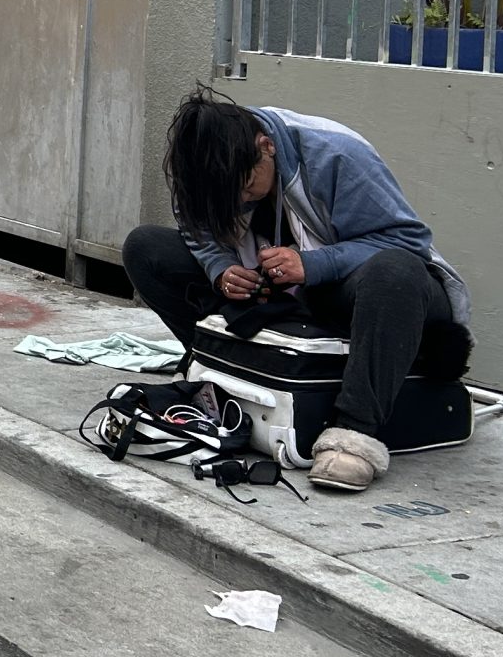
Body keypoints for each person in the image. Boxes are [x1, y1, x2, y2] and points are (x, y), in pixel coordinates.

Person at [123, 88, 472, 493]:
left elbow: (406, 240)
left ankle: (354, 435)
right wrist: (221, 269)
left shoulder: (335, 153)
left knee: (395, 272)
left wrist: (312, 264)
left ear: (266, 147)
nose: (239, 200)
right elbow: (195, 230)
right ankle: (219, 372)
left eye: (247, 186)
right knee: (146, 247)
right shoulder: (200, 166)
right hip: (280, 295)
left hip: (358, 288)